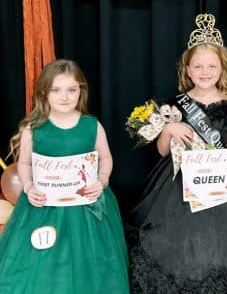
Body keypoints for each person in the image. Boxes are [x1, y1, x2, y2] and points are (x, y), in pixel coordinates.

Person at [127, 14, 227, 293]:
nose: (204, 71)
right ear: (187, 69)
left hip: (222, 187)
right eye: (198, 66)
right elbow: (163, 151)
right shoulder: (176, 104)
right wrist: (169, 130)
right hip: (178, 187)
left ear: (222, 68)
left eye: (211, 66)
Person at [0, 59, 130, 293]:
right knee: (44, 261)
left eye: (72, 90)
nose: (65, 97)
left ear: (81, 91)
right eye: (56, 90)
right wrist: (29, 187)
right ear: (44, 92)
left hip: (87, 207)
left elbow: (106, 158)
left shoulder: (92, 125)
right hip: (44, 206)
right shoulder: (34, 128)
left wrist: (101, 180)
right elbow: (25, 162)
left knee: (90, 262)